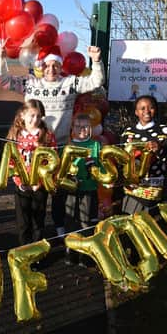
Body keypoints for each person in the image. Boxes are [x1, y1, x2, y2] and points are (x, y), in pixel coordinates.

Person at [0, 44, 105, 238]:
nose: (51, 69)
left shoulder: (70, 83)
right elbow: (4, 80)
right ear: (41, 66)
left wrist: (96, 61)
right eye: (47, 65)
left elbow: (96, 82)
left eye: (55, 65)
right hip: (32, 148)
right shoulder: (31, 83)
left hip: (61, 147)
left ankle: (59, 227)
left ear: (61, 66)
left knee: (58, 191)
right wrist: (1, 59)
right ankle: (31, 234)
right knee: (33, 193)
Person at [6, 99, 57, 245]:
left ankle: (37, 251)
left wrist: (40, 182)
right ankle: (24, 251)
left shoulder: (47, 135)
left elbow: (52, 161)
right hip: (22, 184)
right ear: (22, 115)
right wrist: (19, 181)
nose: (35, 119)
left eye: (38, 116)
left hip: (39, 185)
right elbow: (10, 160)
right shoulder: (15, 134)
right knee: (23, 221)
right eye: (32, 115)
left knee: (38, 221)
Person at [121, 95, 167, 215]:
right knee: (130, 223)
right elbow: (121, 157)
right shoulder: (128, 131)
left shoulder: (164, 131)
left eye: (150, 107)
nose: (147, 111)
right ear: (136, 112)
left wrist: (159, 150)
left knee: (150, 225)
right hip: (131, 188)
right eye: (142, 108)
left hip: (153, 187)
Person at [64, 113, 101, 266]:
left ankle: (86, 254)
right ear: (73, 128)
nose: (81, 129)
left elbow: (100, 165)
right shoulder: (69, 146)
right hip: (72, 190)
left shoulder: (95, 145)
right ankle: (71, 252)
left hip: (89, 188)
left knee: (87, 221)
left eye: (85, 126)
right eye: (78, 126)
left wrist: (93, 165)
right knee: (71, 220)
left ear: (90, 129)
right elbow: (64, 168)